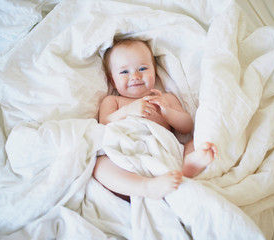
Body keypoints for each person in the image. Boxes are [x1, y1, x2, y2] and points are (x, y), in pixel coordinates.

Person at [93, 38, 217, 200]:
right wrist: (127, 111)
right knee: (99, 165)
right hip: (128, 153)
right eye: (124, 72)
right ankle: (145, 187)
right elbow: (104, 124)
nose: (135, 76)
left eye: (142, 68)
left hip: (163, 152)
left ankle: (186, 168)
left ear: (155, 72)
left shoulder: (166, 99)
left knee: (194, 143)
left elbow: (187, 127)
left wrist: (168, 113)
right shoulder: (113, 101)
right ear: (112, 81)